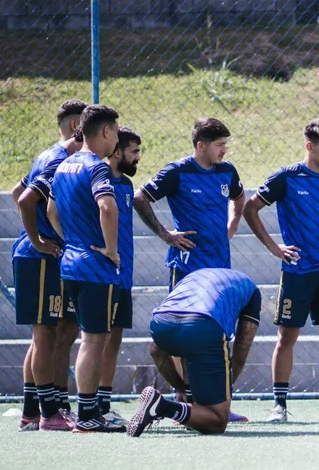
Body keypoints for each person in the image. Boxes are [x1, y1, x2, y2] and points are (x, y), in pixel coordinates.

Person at [243, 119, 319, 423]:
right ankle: (279, 406)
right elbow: (250, 208)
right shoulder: (287, 177)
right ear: (310, 146)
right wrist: (274, 247)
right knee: (286, 337)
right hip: (297, 271)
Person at [133, 118, 246, 418]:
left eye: (225, 144)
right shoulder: (178, 172)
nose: (224, 150)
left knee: (220, 336)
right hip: (187, 269)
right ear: (201, 146)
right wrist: (165, 234)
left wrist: (231, 224)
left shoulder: (227, 171)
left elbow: (239, 197)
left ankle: (215, 403)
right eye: (219, 145)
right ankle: (186, 398)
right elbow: (140, 198)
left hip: (220, 269)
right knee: (184, 337)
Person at [46, 104, 125, 432]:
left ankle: (85, 412)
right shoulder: (97, 167)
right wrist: (110, 249)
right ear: (105, 131)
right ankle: (89, 414)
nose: (117, 139)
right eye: (116, 132)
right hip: (94, 267)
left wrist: (72, 241)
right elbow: (107, 207)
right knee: (94, 340)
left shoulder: (64, 166)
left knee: (82, 338)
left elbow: (51, 211)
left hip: (70, 264)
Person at [11, 99, 86, 431]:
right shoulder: (58, 160)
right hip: (40, 257)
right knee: (45, 334)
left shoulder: (53, 155)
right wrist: (39, 238)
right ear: (77, 127)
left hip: (53, 256)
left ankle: (36, 411)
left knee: (61, 332)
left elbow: (18, 189)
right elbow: (26, 199)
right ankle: (48, 412)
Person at [126, 269, 260, 436]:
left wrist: (180, 388)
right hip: (202, 327)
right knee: (217, 422)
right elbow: (243, 344)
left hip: (161, 324)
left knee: (189, 348)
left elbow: (155, 350)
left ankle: (188, 406)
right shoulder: (252, 290)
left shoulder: (194, 276)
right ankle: (162, 406)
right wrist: (223, 390)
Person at [97, 127, 142, 426]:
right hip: (99, 273)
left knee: (114, 339)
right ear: (117, 151)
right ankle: (72, 405)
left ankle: (103, 402)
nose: (138, 157)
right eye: (134, 151)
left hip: (123, 275)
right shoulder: (96, 178)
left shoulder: (125, 184)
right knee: (93, 339)